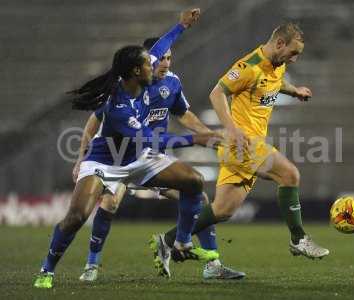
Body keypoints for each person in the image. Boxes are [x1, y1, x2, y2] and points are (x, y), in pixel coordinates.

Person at [33, 9, 218, 289]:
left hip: (139, 159)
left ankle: (181, 241)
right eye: (148, 64)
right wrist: (194, 140)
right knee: (76, 217)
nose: (154, 66)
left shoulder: (140, 78)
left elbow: (159, 48)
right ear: (136, 71)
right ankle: (47, 270)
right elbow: (149, 140)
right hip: (106, 163)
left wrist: (181, 26)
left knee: (194, 182)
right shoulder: (119, 105)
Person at [155, 23, 329, 273]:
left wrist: (295, 91)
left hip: (246, 146)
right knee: (290, 174)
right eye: (293, 53)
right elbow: (217, 93)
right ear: (279, 43)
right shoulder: (249, 66)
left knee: (223, 210)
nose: (294, 59)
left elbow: (274, 83)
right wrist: (232, 130)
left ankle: (166, 241)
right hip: (242, 143)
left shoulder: (275, 65)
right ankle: (298, 239)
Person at [75, 37, 244, 281]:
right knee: (110, 203)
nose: (165, 64)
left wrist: (207, 134)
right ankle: (91, 265)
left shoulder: (172, 83)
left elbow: (183, 115)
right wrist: (81, 158)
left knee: (198, 197)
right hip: (120, 158)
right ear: (147, 61)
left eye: (169, 58)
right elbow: (95, 122)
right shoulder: (129, 88)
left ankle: (211, 263)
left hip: (152, 158)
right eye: (161, 58)